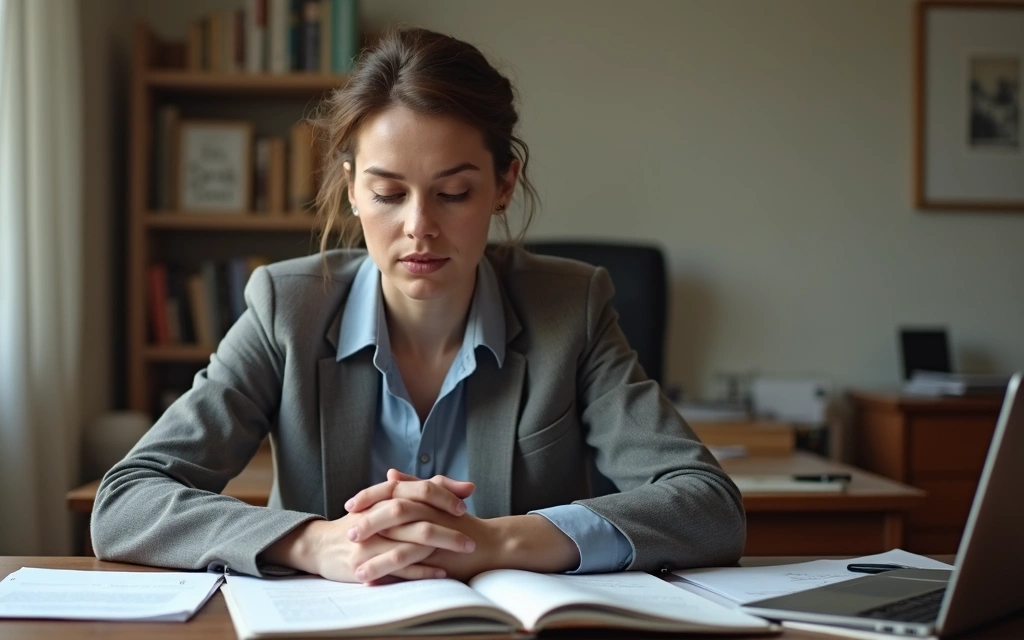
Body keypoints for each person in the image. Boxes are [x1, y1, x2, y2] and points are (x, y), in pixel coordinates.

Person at [92, 27, 744, 584]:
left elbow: (708, 505)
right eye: (388, 193)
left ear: (502, 185)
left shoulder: (570, 308)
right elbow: (125, 501)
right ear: (351, 188)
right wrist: (319, 544)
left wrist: (496, 543)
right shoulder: (284, 309)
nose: (419, 227)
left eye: (453, 193)